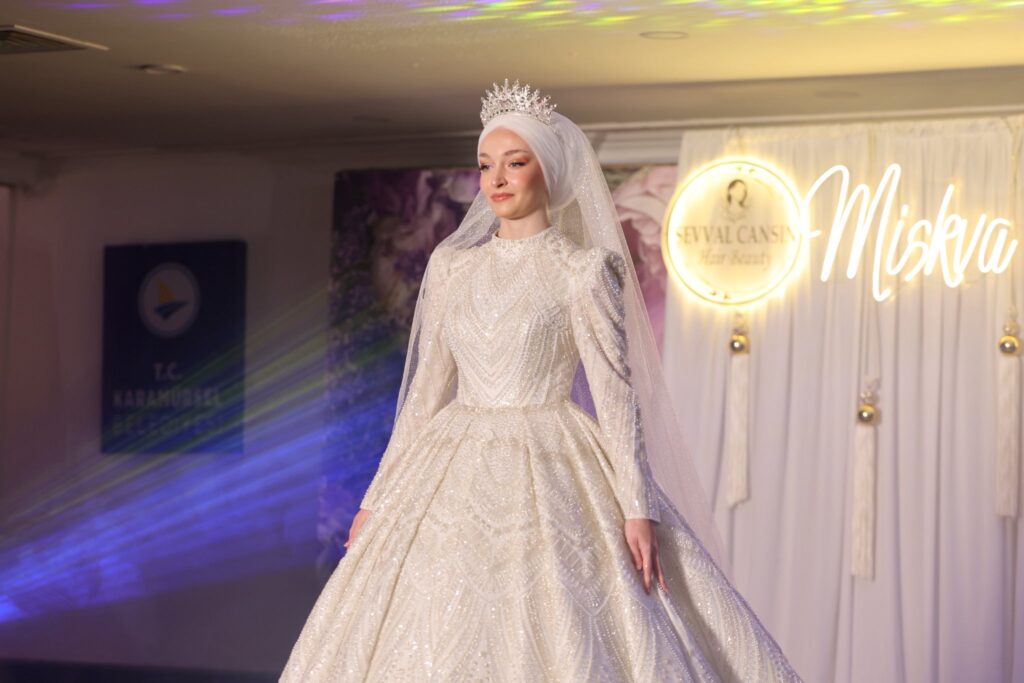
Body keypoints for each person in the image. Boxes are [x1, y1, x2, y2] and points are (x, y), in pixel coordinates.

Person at [280, 79, 802, 682]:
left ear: (547, 170)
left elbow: (616, 397)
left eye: (515, 162)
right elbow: (424, 395)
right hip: (450, 461)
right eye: (485, 165)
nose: (496, 179)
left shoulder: (583, 271)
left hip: (553, 456)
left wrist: (637, 509)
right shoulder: (451, 268)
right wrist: (378, 499)